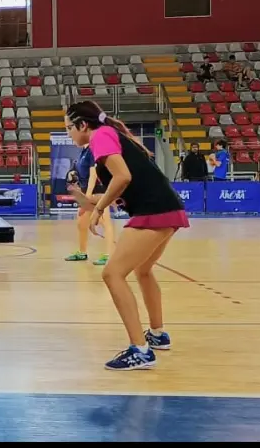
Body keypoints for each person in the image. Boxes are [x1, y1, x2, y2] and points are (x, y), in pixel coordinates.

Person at [64, 101, 189, 371]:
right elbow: (121, 188)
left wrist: (98, 208)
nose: (69, 134)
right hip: (167, 207)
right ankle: (157, 334)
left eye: (69, 128)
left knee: (112, 274)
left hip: (154, 210)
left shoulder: (100, 136)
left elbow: (122, 177)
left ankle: (140, 351)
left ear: (83, 125)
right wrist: (89, 201)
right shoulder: (110, 135)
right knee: (143, 270)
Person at [65, 141, 115, 266]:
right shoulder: (83, 151)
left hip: (98, 192)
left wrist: (87, 197)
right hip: (86, 192)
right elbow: (83, 171)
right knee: (82, 222)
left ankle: (109, 255)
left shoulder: (92, 150)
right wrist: (73, 173)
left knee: (105, 222)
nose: (72, 136)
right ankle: (82, 252)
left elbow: (93, 175)